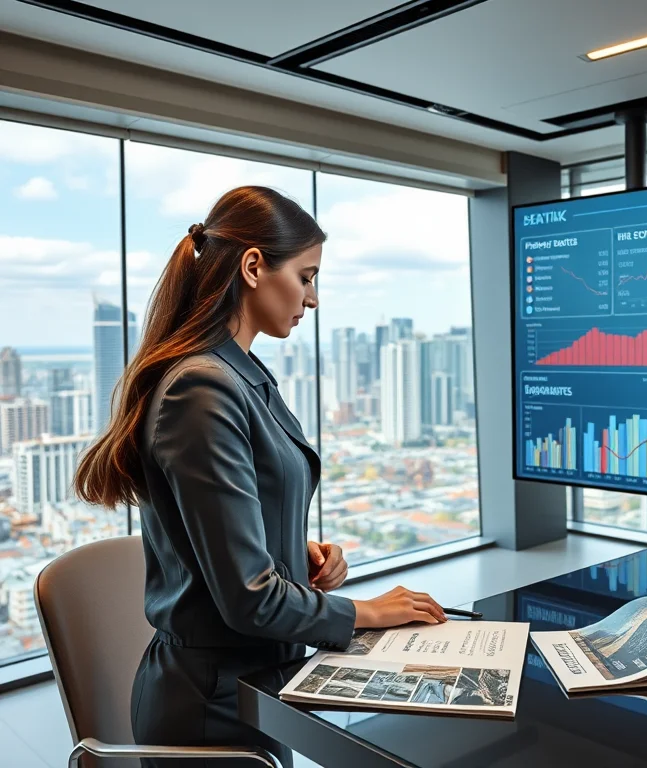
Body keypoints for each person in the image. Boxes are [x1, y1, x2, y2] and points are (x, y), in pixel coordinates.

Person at [73, 186, 446, 767]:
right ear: (253, 266)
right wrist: (366, 612)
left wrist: (289, 553)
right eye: (306, 276)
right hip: (212, 709)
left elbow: (223, 534)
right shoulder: (203, 388)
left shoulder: (236, 373)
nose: (313, 298)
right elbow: (247, 600)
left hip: (254, 683)